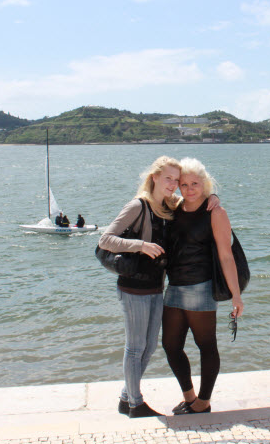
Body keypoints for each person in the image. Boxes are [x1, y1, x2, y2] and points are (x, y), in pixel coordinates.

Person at [98, 156, 182, 418]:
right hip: (133, 287)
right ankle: (136, 404)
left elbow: (196, 201)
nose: (173, 184)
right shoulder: (138, 206)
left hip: (156, 287)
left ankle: (126, 398)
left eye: (176, 180)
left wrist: (212, 199)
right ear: (154, 177)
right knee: (135, 347)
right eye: (168, 178)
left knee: (150, 347)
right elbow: (105, 240)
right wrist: (140, 245)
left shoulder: (168, 207)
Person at [162, 157, 244, 415]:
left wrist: (236, 296)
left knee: (206, 345)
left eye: (195, 184)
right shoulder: (173, 207)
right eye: (184, 184)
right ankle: (190, 397)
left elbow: (226, 256)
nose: (189, 189)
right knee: (170, 346)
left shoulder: (215, 212)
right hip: (174, 286)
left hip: (200, 288)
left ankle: (204, 401)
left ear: (204, 183)